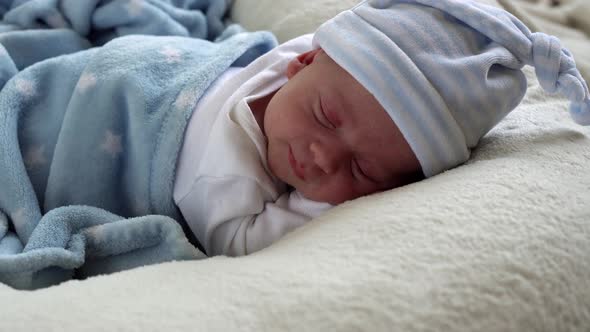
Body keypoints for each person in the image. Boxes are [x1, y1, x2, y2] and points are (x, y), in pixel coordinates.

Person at [174, 0, 590, 257]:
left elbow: (235, 241)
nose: (323, 157)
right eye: (326, 117)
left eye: (362, 170)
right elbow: (233, 248)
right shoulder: (222, 172)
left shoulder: (226, 189)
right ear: (303, 61)